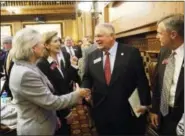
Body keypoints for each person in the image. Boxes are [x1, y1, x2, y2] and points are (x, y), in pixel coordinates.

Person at [8, 28, 89, 135]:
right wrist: (77, 94)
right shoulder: (26, 73)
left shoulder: (29, 66)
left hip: (45, 121)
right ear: (33, 48)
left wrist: (53, 117)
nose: (43, 46)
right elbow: (51, 101)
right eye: (41, 43)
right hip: (37, 129)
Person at [82, 23, 151, 135]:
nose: (97, 40)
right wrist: (85, 90)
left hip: (126, 111)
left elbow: (141, 79)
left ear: (112, 36)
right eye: (95, 36)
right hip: (101, 110)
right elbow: (87, 78)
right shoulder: (92, 56)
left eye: (100, 36)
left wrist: (145, 103)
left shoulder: (131, 52)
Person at [37, 31, 80, 135]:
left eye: (59, 41)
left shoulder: (58, 59)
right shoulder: (42, 63)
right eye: (55, 41)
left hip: (65, 102)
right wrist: (65, 113)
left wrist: (73, 66)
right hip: (56, 110)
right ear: (46, 45)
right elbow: (52, 92)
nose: (59, 44)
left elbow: (64, 81)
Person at [150, 14, 184, 135]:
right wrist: (155, 110)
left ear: (173, 34)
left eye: (160, 33)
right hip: (164, 115)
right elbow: (157, 83)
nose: (157, 36)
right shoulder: (164, 51)